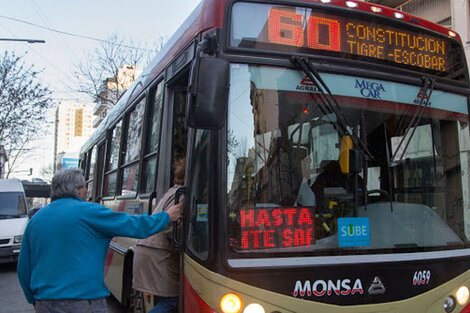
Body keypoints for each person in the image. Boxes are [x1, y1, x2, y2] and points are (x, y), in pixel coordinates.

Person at [17, 167, 182, 313]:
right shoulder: (90, 212)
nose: (86, 191)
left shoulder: (36, 220)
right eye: (84, 187)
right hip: (83, 302)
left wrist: (35, 300)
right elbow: (135, 226)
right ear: (78, 190)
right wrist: (167, 217)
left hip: (44, 303)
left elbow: (23, 269)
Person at [132, 156, 185, 313]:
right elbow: (171, 228)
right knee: (172, 301)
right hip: (159, 254)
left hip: (150, 249)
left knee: (166, 298)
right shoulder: (182, 195)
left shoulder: (173, 190)